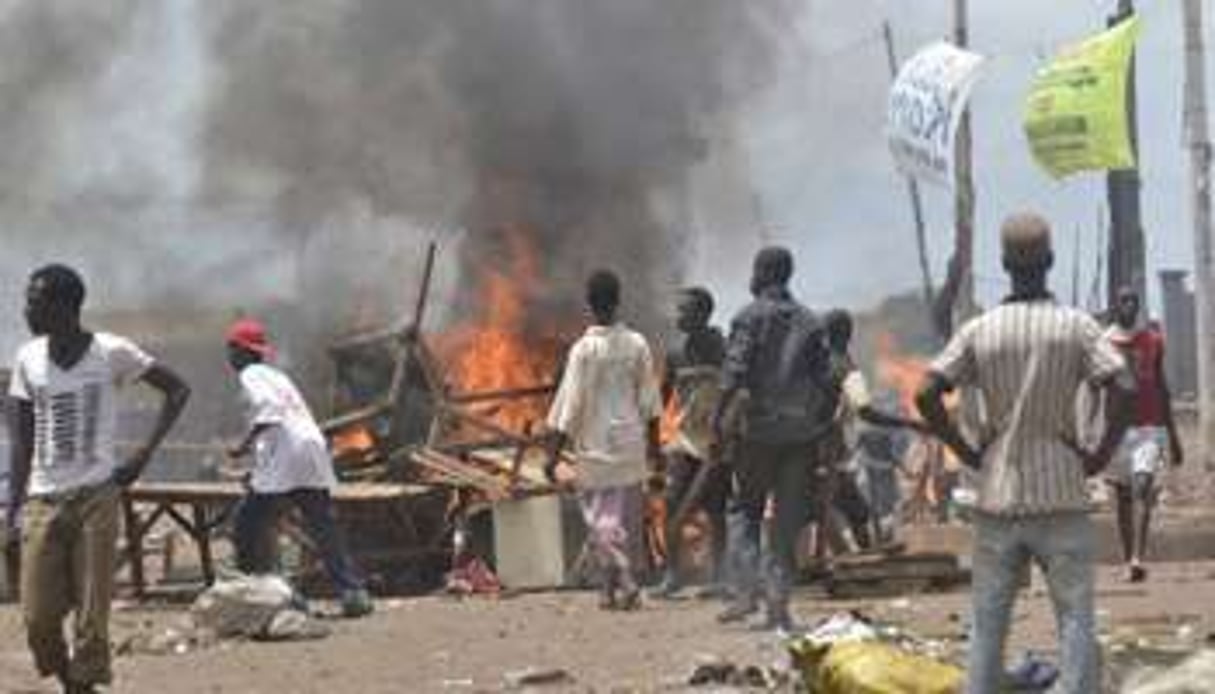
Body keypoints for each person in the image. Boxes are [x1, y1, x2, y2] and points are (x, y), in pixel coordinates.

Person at [916, 212, 1131, 694]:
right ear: (1049, 261)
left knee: (988, 623)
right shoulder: (1075, 327)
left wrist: (966, 451)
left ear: (1004, 264)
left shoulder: (980, 330)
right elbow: (1125, 386)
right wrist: (1097, 455)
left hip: (998, 496)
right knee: (1075, 617)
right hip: (1061, 494)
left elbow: (928, 392)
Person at [6, 264, 190, 694]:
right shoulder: (27, 358)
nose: (27, 310)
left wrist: (141, 457)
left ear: (66, 306)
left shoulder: (110, 351)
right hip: (42, 501)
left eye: (36, 301)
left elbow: (177, 390)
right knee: (37, 618)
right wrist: (12, 510)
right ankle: (71, 678)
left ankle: (83, 685)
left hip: (96, 498)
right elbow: (21, 440)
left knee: (93, 616)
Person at [714, 247, 837, 631]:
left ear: (763, 272)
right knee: (786, 521)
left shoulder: (748, 318)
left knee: (743, 511)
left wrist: (719, 422)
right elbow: (828, 381)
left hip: (759, 433)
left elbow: (733, 375)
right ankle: (778, 605)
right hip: (800, 436)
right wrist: (819, 421)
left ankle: (747, 592)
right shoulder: (811, 322)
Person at [225, 318, 373, 618]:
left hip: (287, 454)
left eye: (231, 349)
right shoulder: (278, 375)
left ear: (241, 351)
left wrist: (242, 446)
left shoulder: (251, 375)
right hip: (310, 447)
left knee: (246, 525)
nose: (229, 356)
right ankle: (353, 592)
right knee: (322, 525)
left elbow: (269, 411)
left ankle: (258, 591)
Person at [547, 270, 662, 610]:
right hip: (629, 444)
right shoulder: (637, 344)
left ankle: (625, 580)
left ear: (590, 303)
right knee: (616, 518)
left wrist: (553, 455)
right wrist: (654, 450)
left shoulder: (584, 350)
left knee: (601, 521)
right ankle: (607, 591)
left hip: (595, 447)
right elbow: (650, 402)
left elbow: (569, 405)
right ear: (618, 299)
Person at [817, 309, 925, 553]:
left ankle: (854, 558)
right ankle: (862, 560)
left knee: (838, 510)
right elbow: (866, 412)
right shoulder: (846, 368)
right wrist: (910, 423)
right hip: (830, 452)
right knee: (851, 512)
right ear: (849, 335)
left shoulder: (815, 365)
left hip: (809, 449)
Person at [653, 287, 730, 599]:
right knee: (672, 503)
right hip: (684, 440)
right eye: (679, 310)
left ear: (705, 314)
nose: (679, 317)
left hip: (717, 442)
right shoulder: (675, 354)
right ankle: (674, 574)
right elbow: (660, 400)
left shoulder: (723, 350)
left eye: (686, 311)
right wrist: (652, 445)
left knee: (716, 510)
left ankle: (720, 576)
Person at [1103, 286, 1183, 583]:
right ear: (1116, 305)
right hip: (1116, 430)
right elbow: (1096, 388)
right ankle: (1128, 560)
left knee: (1142, 486)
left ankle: (1138, 556)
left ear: (1138, 306)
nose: (1129, 305)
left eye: (1133, 301)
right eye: (1123, 300)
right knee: (1123, 497)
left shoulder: (1152, 340)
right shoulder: (1104, 341)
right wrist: (1091, 433)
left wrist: (1173, 436)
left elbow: (1162, 387)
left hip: (1149, 426)